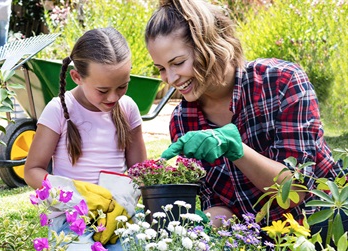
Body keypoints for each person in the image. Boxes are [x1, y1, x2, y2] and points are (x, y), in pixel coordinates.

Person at [144, 0, 346, 242]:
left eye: (178, 63)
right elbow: (224, 208)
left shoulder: (282, 83)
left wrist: (236, 150)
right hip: (259, 238)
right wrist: (197, 224)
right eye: (161, 69)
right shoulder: (184, 121)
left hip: (323, 223)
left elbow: (295, 190)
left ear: (211, 44)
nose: (172, 78)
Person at [24, 27, 147, 250]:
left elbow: (140, 170)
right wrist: (77, 198)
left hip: (117, 215)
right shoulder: (59, 109)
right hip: (70, 219)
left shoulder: (128, 108)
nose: (113, 97)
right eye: (102, 90)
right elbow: (32, 170)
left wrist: (123, 205)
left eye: (122, 86)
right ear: (77, 77)